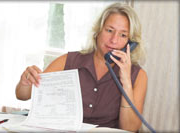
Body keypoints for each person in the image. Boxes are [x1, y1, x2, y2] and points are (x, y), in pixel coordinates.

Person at [15, 3, 147, 132]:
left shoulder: (138, 76)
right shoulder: (68, 61)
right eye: (109, 30)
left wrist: (126, 83)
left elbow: (129, 128)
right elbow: (23, 95)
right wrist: (25, 82)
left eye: (123, 35)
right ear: (98, 31)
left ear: (130, 43)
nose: (114, 40)